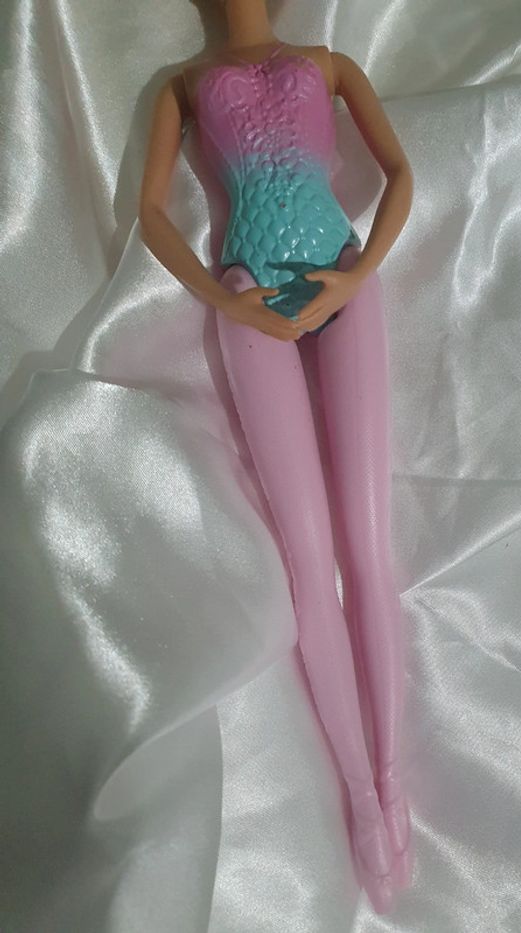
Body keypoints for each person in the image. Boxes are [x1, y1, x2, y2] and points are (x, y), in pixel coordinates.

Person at [138, 0, 414, 913]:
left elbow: (401, 173)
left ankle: (392, 779)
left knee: (366, 547)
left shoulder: (330, 64)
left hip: (341, 277)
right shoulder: (181, 87)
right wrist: (228, 300)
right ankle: (362, 797)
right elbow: (151, 213)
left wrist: (360, 269)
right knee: (307, 557)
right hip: (249, 291)